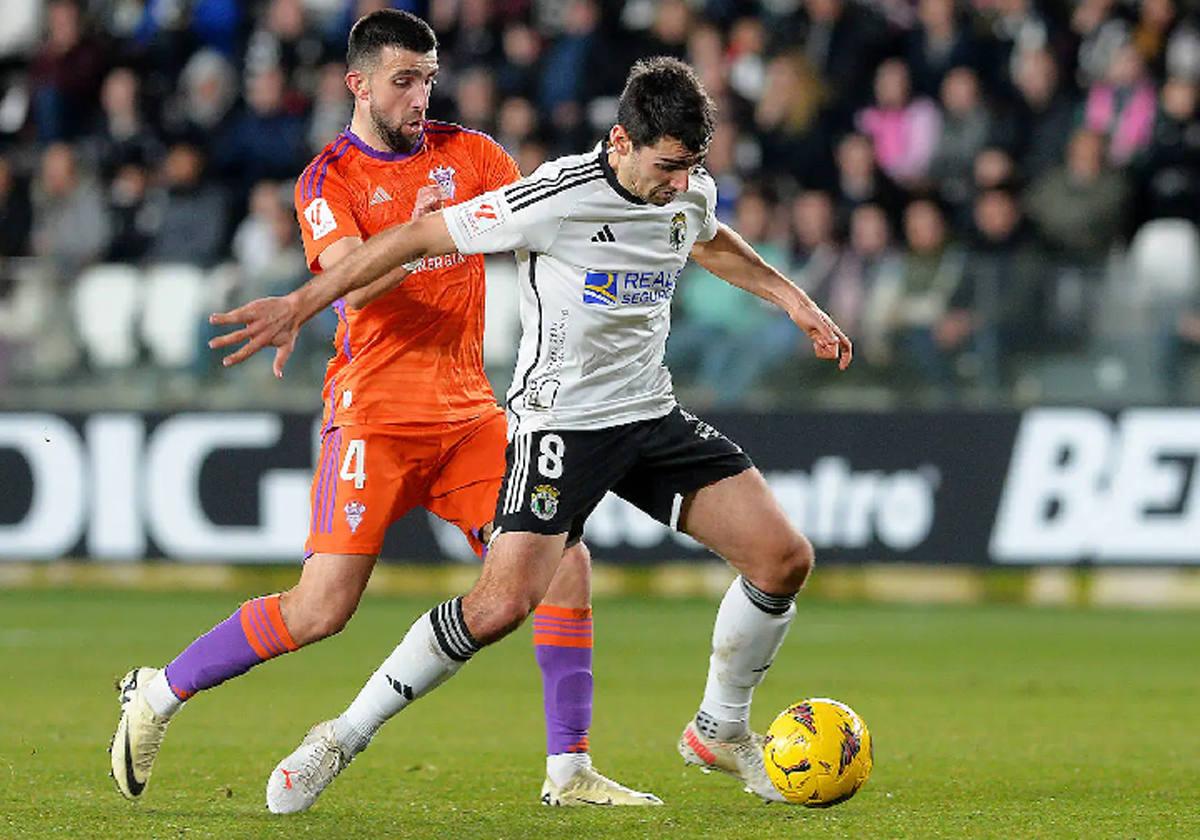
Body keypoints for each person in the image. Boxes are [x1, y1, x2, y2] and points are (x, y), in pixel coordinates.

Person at [208, 56, 852, 812]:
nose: (682, 183)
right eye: (669, 166)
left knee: (782, 559)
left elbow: (705, 235)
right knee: (498, 607)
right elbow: (419, 235)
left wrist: (793, 301)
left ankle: (718, 728)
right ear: (621, 142)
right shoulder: (554, 196)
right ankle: (341, 736)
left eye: (693, 167)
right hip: (562, 429)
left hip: (647, 414)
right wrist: (305, 302)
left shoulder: (688, 190)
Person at [109, 10, 655, 811]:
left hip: (470, 415)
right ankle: (158, 693)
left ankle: (569, 768)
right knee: (321, 609)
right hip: (373, 416)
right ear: (357, 84)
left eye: (429, 78)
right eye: (404, 80)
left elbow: (544, 215)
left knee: (564, 559)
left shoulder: (471, 154)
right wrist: (438, 233)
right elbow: (351, 282)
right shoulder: (327, 181)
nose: (420, 96)